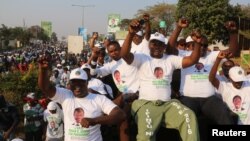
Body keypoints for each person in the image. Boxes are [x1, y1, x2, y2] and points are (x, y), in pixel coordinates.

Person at [119, 19, 202, 141]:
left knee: (189, 116)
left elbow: (192, 60)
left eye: (160, 44)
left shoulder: (171, 59)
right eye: (154, 43)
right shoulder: (142, 58)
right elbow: (124, 55)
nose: (157, 47)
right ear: (149, 45)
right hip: (146, 103)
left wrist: (198, 43)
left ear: (164, 46)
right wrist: (130, 34)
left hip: (168, 104)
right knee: (145, 135)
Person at [38, 55, 126, 141]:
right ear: (70, 84)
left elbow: (120, 114)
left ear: (87, 83)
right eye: (74, 83)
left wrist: (94, 121)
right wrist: (42, 70)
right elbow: (45, 88)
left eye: (81, 82)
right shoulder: (65, 95)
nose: (77, 86)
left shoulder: (99, 99)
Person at [209, 51, 250, 124]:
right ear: (230, 78)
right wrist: (218, 60)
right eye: (236, 81)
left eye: (241, 80)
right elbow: (212, 78)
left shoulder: (247, 84)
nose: (239, 83)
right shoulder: (224, 87)